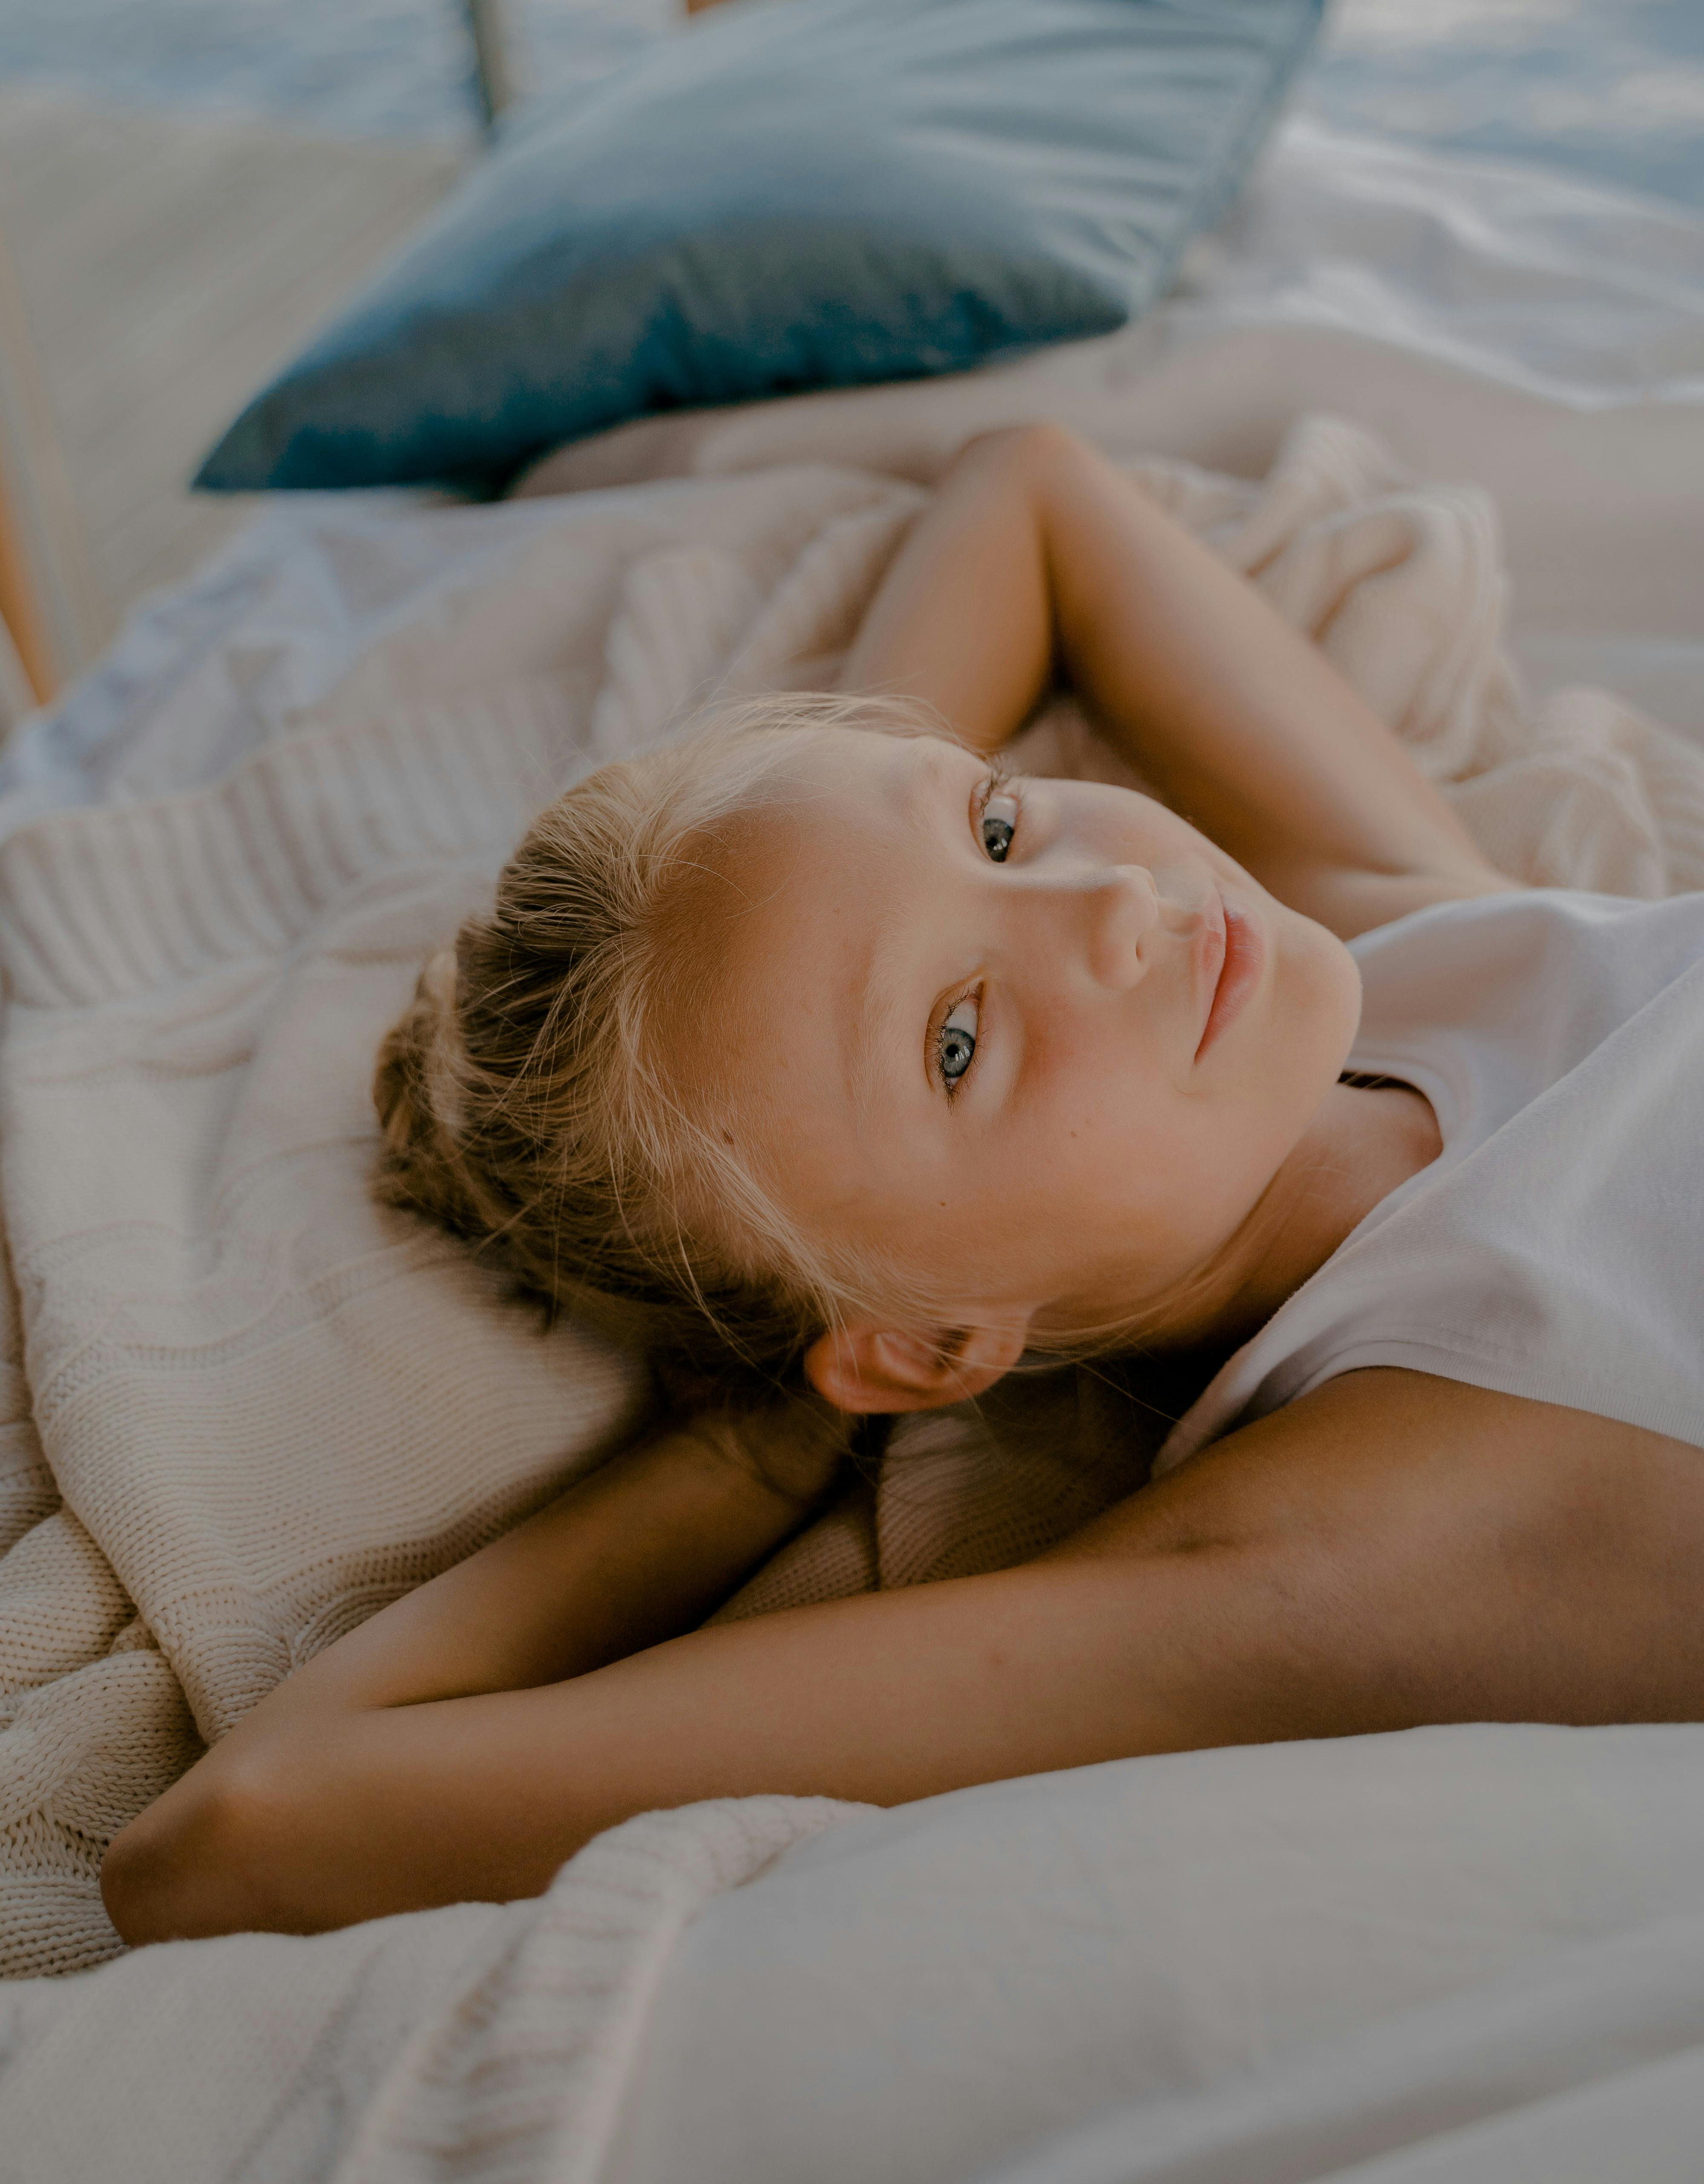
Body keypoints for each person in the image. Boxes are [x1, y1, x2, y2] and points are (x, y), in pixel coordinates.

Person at [103, 420, 1704, 1947]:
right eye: (953, 1041)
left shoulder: (1418, 961)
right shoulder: (1335, 1548)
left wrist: (818, 831)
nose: (1110, 901)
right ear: (933, 1343)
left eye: (998, 826)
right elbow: (240, 1830)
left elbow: (1036, 498)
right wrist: (750, 1444)